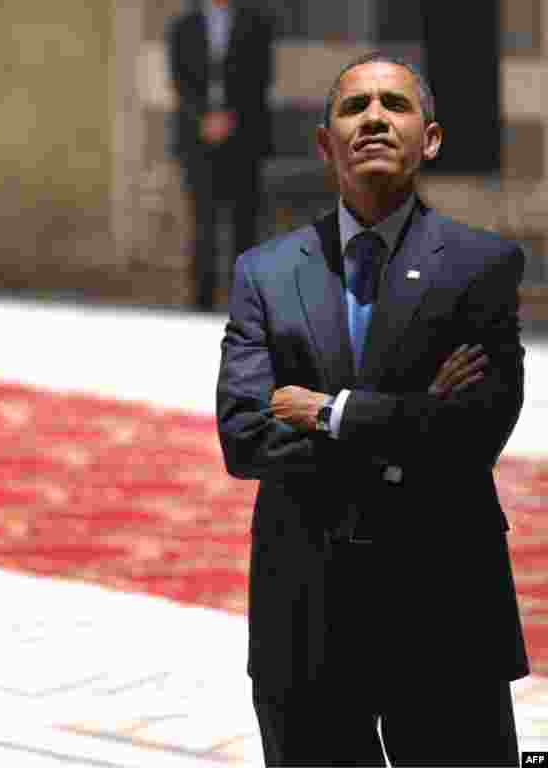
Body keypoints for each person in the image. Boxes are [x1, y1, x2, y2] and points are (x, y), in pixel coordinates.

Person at [216, 53, 528, 765]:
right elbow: (243, 437)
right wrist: (416, 417)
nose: (376, 119)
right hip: (306, 616)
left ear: (432, 139)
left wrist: (331, 413)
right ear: (326, 144)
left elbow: (475, 432)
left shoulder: (481, 267)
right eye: (355, 108)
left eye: (396, 105)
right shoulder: (265, 273)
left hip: (445, 611)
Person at [167, 0, 274, 311]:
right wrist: (203, 119)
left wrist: (232, 119)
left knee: (244, 223)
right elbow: (179, 82)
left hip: (244, 138)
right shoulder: (183, 26)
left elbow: (260, 80)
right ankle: (200, 304)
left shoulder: (257, 24)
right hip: (197, 139)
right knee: (203, 223)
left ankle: (244, 307)